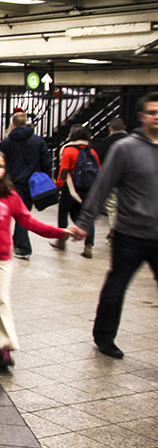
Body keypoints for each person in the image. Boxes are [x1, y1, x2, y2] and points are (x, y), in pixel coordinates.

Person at [0, 149, 72, 371]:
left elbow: (29, 221)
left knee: (1, 301)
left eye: (1, 166)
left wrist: (58, 232)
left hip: (1, 258)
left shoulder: (10, 196)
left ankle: (4, 348)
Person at [71, 93, 158, 359]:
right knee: (115, 289)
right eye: (152, 112)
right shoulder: (125, 148)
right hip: (130, 235)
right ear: (141, 116)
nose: (157, 117)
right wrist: (84, 222)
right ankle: (104, 337)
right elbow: (103, 185)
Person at [0, 112, 52, 260]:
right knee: (24, 214)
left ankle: (22, 247)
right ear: (26, 123)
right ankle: (20, 244)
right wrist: (43, 178)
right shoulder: (38, 140)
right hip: (32, 184)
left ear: (13, 124)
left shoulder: (7, 143)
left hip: (12, 183)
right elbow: (46, 162)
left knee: (12, 214)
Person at [50, 125, 99, 258]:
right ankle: (89, 246)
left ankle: (62, 240)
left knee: (63, 213)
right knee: (87, 216)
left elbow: (64, 171)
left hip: (70, 188)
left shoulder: (68, 150)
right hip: (86, 189)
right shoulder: (91, 151)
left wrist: (58, 185)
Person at [91, 118, 128, 241]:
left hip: (112, 179)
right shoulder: (133, 142)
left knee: (112, 207)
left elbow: (94, 158)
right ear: (124, 127)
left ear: (110, 129)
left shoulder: (105, 142)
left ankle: (114, 231)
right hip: (130, 180)